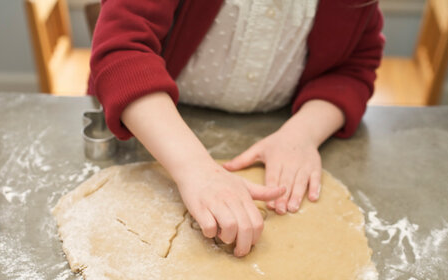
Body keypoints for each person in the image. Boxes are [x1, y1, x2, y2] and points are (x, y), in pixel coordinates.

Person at [89, 0, 385, 257]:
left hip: (282, 123)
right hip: (151, 120)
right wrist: (195, 169)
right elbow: (122, 52)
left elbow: (353, 67)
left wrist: (303, 133)